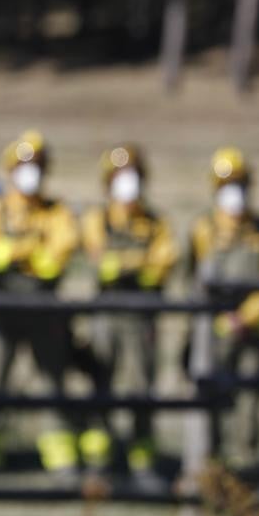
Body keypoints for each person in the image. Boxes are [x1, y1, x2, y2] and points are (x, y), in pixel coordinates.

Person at [0, 130, 80, 476]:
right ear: (10, 169)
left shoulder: (58, 211)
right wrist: (33, 250)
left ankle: (60, 458)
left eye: (38, 166)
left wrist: (16, 252)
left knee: (52, 381)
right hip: (0, 314)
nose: (31, 172)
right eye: (24, 165)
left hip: (43, 314)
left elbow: (58, 257)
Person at [79, 144, 177, 483]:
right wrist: (140, 263)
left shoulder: (156, 222)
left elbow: (164, 264)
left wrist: (124, 264)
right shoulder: (97, 219)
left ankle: (142, 457)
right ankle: (100, 456)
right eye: (120, 176)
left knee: (141, 384)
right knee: (100, 379)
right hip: (105, 315)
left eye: (133, 175)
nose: (127, 183)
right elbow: (100, 261)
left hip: (141, 317)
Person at [187, 147, 259, 462]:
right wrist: (213, 321)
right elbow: (191, 278)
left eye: (241, 183)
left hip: (252, 333)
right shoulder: (203, 228)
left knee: (249, 400)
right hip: (211, 334)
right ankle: (211, 465)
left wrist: (245, 317)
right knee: (211, 397)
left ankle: (247, 464)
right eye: (228, 184)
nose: (235, 192)